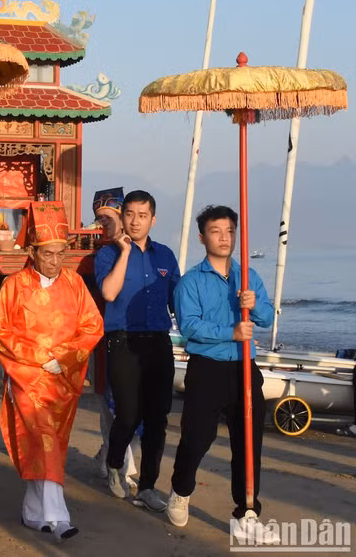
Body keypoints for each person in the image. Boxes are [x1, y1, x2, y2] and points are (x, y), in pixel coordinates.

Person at [0, 201, 103, 541]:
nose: (55, 261)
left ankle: (33, 511)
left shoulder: (75, 284)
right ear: (32, 251)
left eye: (60, 253)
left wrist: (65, 359)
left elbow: (93, 325)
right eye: (48, 253)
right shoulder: (14, 285)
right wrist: (39, 357)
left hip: (63, 380)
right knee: (44, 437)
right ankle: (58, 516)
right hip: (27, 377)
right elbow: (1, 332)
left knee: (49, 444)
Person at [167, 206, 279, 545]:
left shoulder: (248, 276)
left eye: (230, 231)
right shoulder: (191, 281)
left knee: (249, 444)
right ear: (203, 237)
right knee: (196, 439)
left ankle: (246, 513)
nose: (224, 237)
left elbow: (266, 319)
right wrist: (229, 332)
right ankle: (181, 490)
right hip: (207, 369)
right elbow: (189, 327)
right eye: (216, 231)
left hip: (244, 368)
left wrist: (253, 302)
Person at [94, 190, 179, 512]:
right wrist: (125, 252)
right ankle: (115, 464)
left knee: (157, 419)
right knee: (127, 414)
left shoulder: (166, 256)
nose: (135, 221)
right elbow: (109, 292)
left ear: (153, 219)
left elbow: (178, 301)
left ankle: (147, 486)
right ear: (123, 216)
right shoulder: (107, 255)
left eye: (142, 215)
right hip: (122, 341)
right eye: (130, 214)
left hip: (158, 342)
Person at [86, 187, 140, 491]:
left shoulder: (140, 249)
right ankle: (120, 464)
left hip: (137, 336)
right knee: (109, 404)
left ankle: (110, 455)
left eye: (108, 218)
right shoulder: (100, 253)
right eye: (98, 219)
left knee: (136, 407)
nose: (103, 225)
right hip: (103, 336)